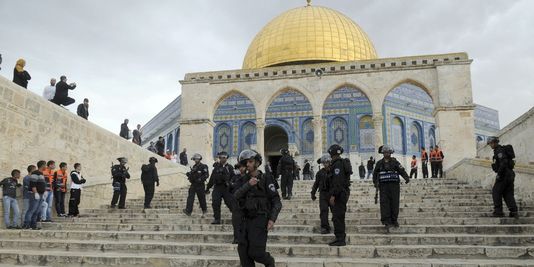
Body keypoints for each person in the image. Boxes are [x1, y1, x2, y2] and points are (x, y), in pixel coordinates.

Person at [234, 149, 282, 267]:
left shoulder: (266, 178)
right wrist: (248, 185)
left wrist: (272, 219)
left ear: (257, 163)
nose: (248, 165)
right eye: (246, 163)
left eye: (250, 162)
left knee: (256, 253)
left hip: (260, 219)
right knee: (244, 254)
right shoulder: (243, 180)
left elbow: (276, 201)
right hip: (244, 220)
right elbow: (235, 196)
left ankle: (270, 262)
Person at [373, 145, 410, 231]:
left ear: (390, 153)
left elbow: (401, 170)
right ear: (383, 153)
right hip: (383, 186)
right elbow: (375, 174)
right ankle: (387, 221)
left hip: (394, 186)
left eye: (388, 152)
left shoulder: (395, 162)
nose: (386, 154)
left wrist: (406, 178)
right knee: (384, 203)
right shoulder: (379, 163)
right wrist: (375, 183)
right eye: (385, 152)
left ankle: (394, 220)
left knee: (394, 203)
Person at [327, 144, 352, 246]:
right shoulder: (340, 163)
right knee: (338, 216)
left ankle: (340, 239)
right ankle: (339, 237)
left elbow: (337, 181)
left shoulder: (337, 164)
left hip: (339, 194)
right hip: (342, 193)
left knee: (338, 217)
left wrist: (333, 195)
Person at [487, 137, 518, 218]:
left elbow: (503, 162)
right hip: (510, 174)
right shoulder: (500, 150)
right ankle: (514, 211)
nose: (490, 145)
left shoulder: (499, 150)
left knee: (496, 191)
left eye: (490, 143)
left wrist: (499, 174)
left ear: (494, 143)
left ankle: (498, 212)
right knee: (508, 193)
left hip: (504, 174)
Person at [206, 151, 234, 225]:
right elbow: (212, 178)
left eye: (224, 157)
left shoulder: (230, 167)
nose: (222, 159)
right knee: (215, 203)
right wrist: (207, 188)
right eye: (221, 157)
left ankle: (236, 216)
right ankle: (217, 219)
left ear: (227, 158)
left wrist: (232, 186)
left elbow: (233, 178)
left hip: (226, 188)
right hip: (217, 187)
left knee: (230, 203)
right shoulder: (216, 167)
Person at [311, 155, 333, 234]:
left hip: (332, 194)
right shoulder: (320, 173)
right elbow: (316, 184)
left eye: (327, 162)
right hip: (323, 194)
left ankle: (338, 226)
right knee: (323, 210)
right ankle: (325, 227)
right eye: (324, 163)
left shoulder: (333, 171)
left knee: (335, 211)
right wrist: (313, 193)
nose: (325, 164)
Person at [23, 160, 47, 230]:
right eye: (45, 165)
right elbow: (33, 184)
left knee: (37, 210)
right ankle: (26, 224)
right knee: (32, 209)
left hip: (41, 194)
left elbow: (41, 184)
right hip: (35, 194)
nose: (46, 167)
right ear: (42, 165)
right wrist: (35, 193)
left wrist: (44, 191)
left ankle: (33, 225)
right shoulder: (35, 173)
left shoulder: (41, 173)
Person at [229, 162, 247, 244]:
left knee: (245, 222)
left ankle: (244, 237)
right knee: (235, 221)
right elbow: (230, 189)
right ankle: (236, 238)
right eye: (240, 167)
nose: (241, 169)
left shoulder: (248, 177)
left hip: (246, 203)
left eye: (243, 167)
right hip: (236, 203)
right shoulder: (234, 178)